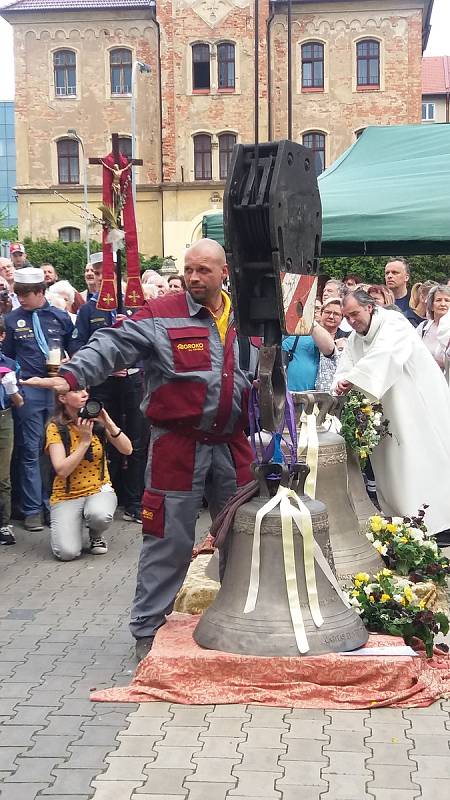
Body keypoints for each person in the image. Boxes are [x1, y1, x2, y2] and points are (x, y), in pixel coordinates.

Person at [22, 238, 256, 661]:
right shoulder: (161, 315)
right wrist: (73, 374)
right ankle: (148, 630)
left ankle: (243, 616)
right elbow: (111, 344)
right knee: (167, 538)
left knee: (242, 534)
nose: (193, 278)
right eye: (189, 269)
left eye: (204, 270)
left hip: (233, 446)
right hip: (176, 446)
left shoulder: (247, 316)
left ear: (225, 273)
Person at [333, 289, 450, 545]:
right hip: (385, 415)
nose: (351, 321)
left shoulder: (394, 323)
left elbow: (384, 355)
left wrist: (351, 380)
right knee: (391, 470)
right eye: (347, 317)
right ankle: (403, 523)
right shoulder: (354, 338)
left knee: (419, 462)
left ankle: (437, 524)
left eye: (355, 314)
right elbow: (346, 366)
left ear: (370, 308)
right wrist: (340, 383)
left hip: (416, 408)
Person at [72, 253, 144, 523]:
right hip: (104, 383)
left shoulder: (136, 305)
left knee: (136, 440)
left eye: (109, 273)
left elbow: (149, 343)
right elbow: (76, 346)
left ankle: (135, 502)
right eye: (100, 273)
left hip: (133, 380)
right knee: (105, 438)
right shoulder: (89, 310)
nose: (104, 278)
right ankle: (110, 496)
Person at [3, 267, 75, 531]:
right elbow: (7, 359)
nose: (21, 298)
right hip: (29, 389)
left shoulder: (59, 317)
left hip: (56, 390)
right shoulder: (12, 320)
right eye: (18, 293)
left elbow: (75, 350)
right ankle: (33, 509)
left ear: (41, 292)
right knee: (30, 451)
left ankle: (55, 503)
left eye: (27, 294)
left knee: (56, 448)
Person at [45, 388, 132, 560]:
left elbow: (127, 449)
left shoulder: (96, 422)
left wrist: (108, 422)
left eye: (85, 390)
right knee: (67, 553)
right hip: (66, 494)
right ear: (62, 398)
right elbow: (62, 470)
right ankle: (73, 525)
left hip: (98, 489)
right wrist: (85, 442)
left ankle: (96, 534)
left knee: (99, 515)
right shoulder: (56, 427)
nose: (84, 394)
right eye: (77, 391)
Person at [0, 315, 23, 545]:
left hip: (4, 418)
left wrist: (11, 389)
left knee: (3, 475)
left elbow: (20, 402)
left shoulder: (9, 363)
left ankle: (4, 524)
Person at [282, 316, 335, 392]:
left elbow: (329, 349)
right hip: (287, 393)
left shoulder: (312, 335)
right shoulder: (294, 336)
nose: (331, 317)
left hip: (316, 395)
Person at [314, 298, 348, 392]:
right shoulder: (310, 334)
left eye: (336, 314)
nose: (331, 316)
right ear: (321, 313)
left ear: (342, 318)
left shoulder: (348, 337)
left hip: (336, 388)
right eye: (327, 312)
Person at [416, 284, 450, 370]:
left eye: (447, 300)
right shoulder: (422, 327)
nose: (443, 304)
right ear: (431, 306)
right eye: (438, 300)